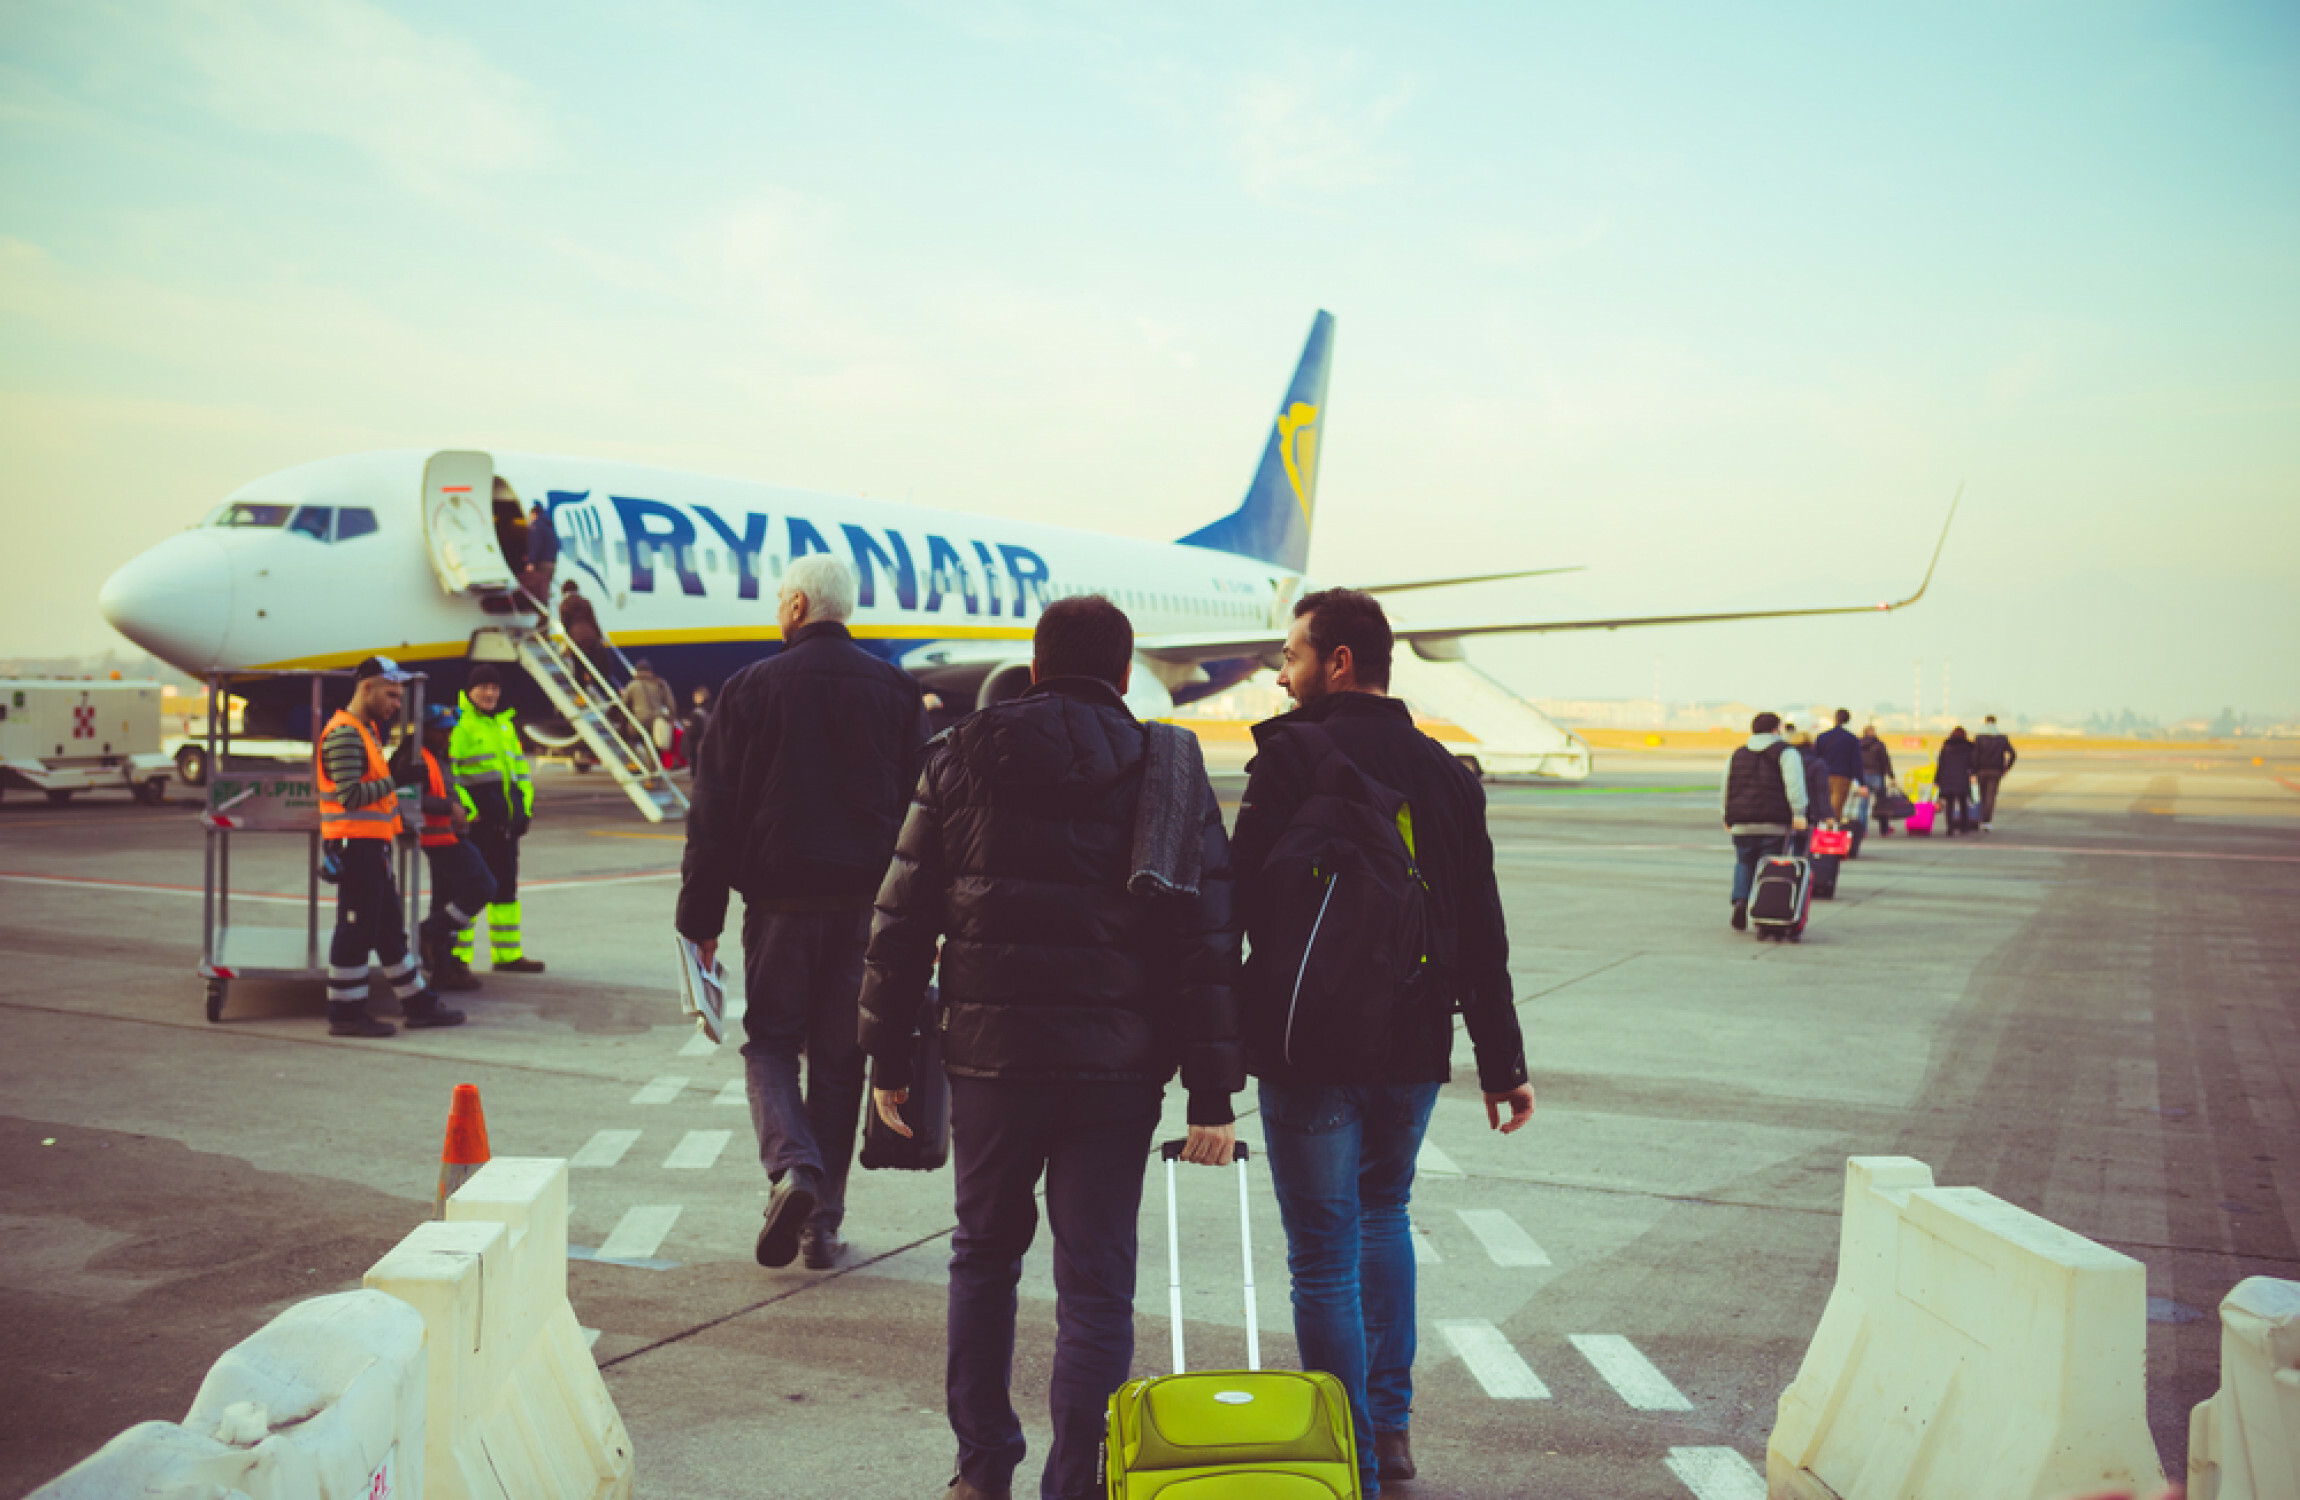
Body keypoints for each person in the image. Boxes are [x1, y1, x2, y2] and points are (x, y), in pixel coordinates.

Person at [857, 593, 1242, 1500]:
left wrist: (888, 1058)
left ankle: (982, 1468)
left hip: (991, 1060)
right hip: (1117, 1070)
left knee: (984, 1255)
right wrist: (1212, 1095)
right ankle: (1079, 1483)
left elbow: (901, 917)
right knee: (1097, 1283)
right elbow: (1209, 945)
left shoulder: (958, 757)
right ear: (1123, 673)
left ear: (1032, 668)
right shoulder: (1168, 767)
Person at [1229, 588, 1534, 1498]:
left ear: (1339, 663)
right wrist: (1502, 1061)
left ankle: (1348, 1455)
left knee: (1321, 1254)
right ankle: (1391, 1434)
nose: (1281, 674)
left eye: (1291, 656)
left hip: (1307, 1045)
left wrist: (1208, 1038)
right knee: (1384, 1217)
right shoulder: (1444, 771)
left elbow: (1232, 899)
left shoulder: (1292, 758)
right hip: (1412, 1046)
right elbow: (1481, 925)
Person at [679, 555, 926, 1274]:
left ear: (793, 606)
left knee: (771, 1046)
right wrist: (923, 924)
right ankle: (822, 1229)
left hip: (780, 910)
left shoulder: (749, 689)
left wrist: (700, 917)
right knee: (841, 1062)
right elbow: (924, 820)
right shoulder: (897, 692)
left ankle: (792, 1171)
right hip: (869, 916)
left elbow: (713, 814)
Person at [314, 657, 465, 1037]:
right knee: (356, 931)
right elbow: (350, 795)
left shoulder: (365, 732)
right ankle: (345, 1014)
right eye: (392, 695)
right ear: (368, 688)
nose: (397, 705)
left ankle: (418, 1004)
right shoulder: (346, 734)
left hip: (370, 846)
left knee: (389, 930)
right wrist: (396, 780)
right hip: (356, 846)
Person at [448, 665, 545, 980]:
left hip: (506, 831)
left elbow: (521, 776)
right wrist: (469, 812)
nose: (489, 694)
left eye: (494, 688)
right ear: (470, 691)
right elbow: (451, 777)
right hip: (477, 829)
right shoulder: (460, 726)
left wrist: (524, 812)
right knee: (468, 891)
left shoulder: (505, 727)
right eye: (483, 688)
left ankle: (507, 955)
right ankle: (456, 958)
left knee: (506, 892)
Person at [415, 703, 496, 993]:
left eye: (449, 731)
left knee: (444, 900)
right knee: (483, 887)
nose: (447, 736)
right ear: (424, 730)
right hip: (438, 838)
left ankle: (443, 967)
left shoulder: (439, 756)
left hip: (449, 834)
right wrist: (449, 807)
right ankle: (429, 931)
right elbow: (405, 798)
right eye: (440, 731)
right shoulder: (414, 758)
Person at [1722, 711, 1809, 930]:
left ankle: (1740, 901)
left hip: (1741, 822)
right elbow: (1794, 786)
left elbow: (1726, 786)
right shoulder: (1787, 753)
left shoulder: (1737, 754)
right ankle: (1764, 909)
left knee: (1743, 862)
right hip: (1774, 822)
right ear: (1776, 729)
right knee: (1769, 867)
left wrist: (1727, 815)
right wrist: (1798, 814)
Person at [1783, 727, 1833, 856]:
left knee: (1787, 847)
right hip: (1811, 812)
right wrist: (1827, 815)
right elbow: (1822, 792)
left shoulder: (1785, 761)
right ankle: (1802, 872)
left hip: (1788, 811)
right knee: (1806, 849)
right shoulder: (1817, 763)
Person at [558, 580, 617, 682]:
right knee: (593, 664)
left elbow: (565, 624)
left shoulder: (564, 604)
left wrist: (566, 641)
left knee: (578, 665)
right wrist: (599, 636)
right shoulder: (585, 601)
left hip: (576, 639)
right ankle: (595, 685)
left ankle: (582, 689)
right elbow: (593, 621)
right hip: (591, 637)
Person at [1971, 715, 2018, 831]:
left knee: (1982, 796)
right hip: (1996, 771)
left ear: (1985, 722)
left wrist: (1973, 771)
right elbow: (2013, 754)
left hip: (1981, 771)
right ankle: (1987, 821)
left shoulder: (1979, 738)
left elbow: (1974, 756)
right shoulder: (2002, 738)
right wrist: (2006, 767)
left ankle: (1981, 818)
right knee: (1991, 797)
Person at [1815, 708, 1864, 819]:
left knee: (1823, 805)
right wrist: (1861, 782)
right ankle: (1833, 832)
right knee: (1836, 808)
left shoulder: (1822, 737)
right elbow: (1856, 762)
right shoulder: (1851, 739)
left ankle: (1823, 830)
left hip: (1822, 775)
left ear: (1835, 718)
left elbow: (1816, 757)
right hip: (1843, 777)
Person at [621, 658, 677, 750]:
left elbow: (623, 706)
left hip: (639, 722)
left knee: (628, 734)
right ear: (650, 671)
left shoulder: (633, 685)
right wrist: (670, 718)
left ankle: (632, 757)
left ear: (637, 671)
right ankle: (650, 763)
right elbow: (671, 704)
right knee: (653, 747)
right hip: (657, 721)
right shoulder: (660, 684)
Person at [1935, 726, 1977, 835]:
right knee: (1963, 803)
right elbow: (1972, 762)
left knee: (1949, 805)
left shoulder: (1947, 745)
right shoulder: (1968, 747)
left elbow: (1941, 763)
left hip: (1947, 777)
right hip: (1962, 778)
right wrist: (1973, 773)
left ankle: (1950, 828)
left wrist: (1937, 780)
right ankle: (1964, 827)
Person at [1859, 724, 1897, 835]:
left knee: (1863, 805)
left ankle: (1862, 830)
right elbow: (1885, 761)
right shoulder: (1879, 745)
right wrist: (1891, 776)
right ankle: (1884, 829)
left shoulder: (1859, 744)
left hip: (1863, 776)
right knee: (1882, 804)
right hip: (1877, 775)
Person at [521, 501, 558, 603]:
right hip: (551, 562)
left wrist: (531, 562)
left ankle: (542, 614)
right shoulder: (549, 526)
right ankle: (546, 611)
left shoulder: (536, 526)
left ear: (534, 514)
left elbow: (535, 545)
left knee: (539, 591)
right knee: (545, 589)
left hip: (542, 563)